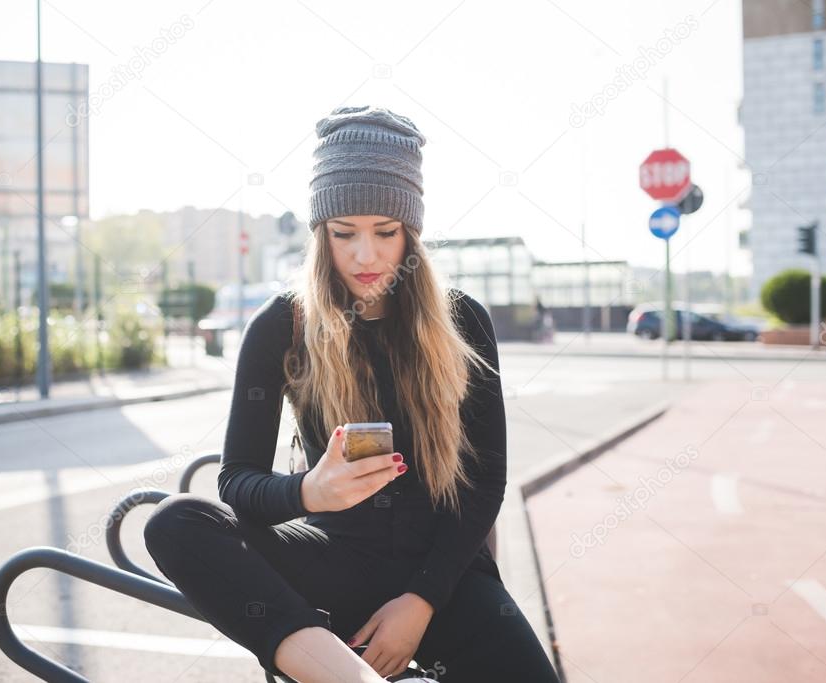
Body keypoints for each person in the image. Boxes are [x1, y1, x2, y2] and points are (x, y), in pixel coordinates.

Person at [144, 106, 560, 683]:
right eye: (344, 234)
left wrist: (419, 603)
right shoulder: (280, 326)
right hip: (331, 562)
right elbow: (237, 481)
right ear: (320, 234)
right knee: (174, 522)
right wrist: (310, 491)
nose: (366, 255)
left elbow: (485, 481)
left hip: (444, 578)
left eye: (386, 233)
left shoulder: (464, 320)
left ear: (411, 232)